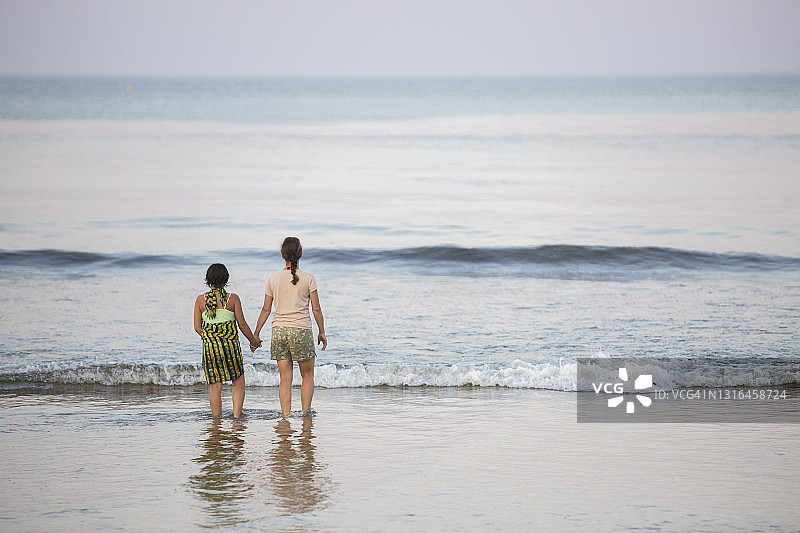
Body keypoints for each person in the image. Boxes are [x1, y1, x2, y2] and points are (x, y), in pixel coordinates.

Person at [254, 237, 327, 417]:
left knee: (285, 378)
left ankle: (285, 416)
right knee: (307, 375)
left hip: (279, 331)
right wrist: (322, 332)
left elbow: (265, 309)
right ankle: (305, 413)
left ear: (282, 255)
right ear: (300, 254)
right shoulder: (309, 278)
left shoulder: (272, 279)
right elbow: (316, 309)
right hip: (301, 330)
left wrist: (256, 333)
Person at [194, 263, 261, 418]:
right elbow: (242, 325)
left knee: (215, 386)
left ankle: (216, 420)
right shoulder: (233, 299)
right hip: (231, 348)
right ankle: (237, 417)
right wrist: (254, 341)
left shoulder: (200, 300)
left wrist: (212, 340)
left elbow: (197, 327)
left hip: (211, 349)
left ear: (208, 279)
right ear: (226, 279)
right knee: (238, 383)